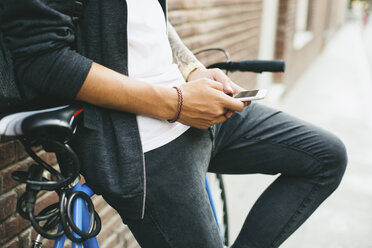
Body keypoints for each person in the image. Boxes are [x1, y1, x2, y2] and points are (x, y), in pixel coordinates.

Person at [0, 0, 347, 247]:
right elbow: (41, 58)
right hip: (144, 144)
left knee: (325, 157)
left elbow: (149, 17)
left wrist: (194, 70)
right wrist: (178, 104)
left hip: (192, 108)